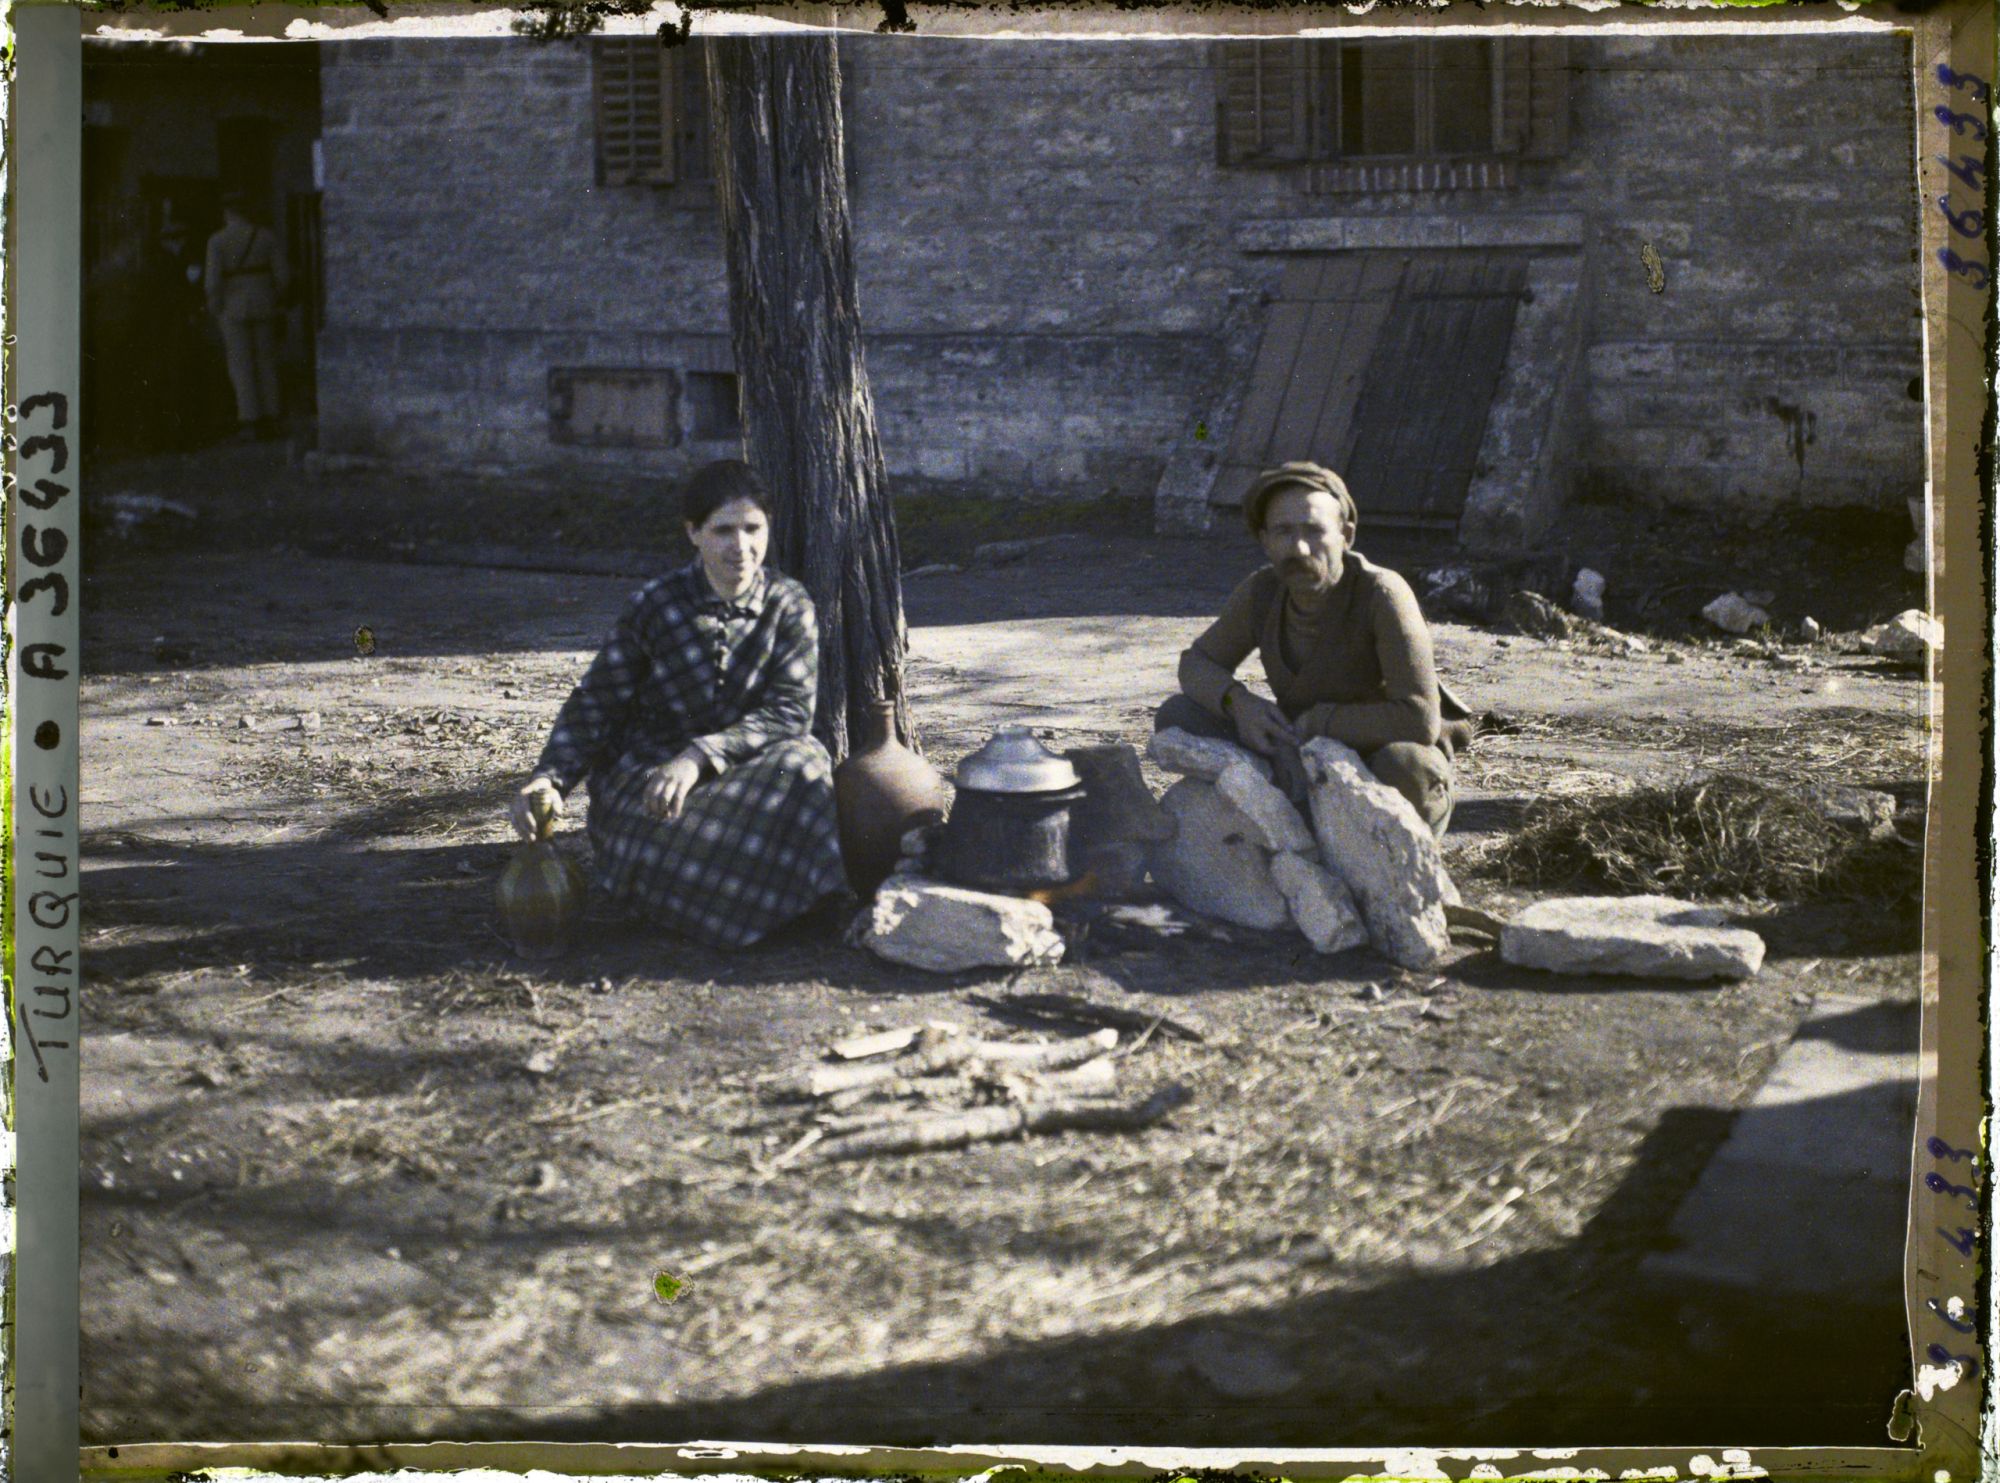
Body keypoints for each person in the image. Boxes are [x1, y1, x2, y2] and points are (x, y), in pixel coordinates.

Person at [510, 460, 848, 948]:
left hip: (744, 776)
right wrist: (550, 776)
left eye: (754, 529)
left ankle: (794, 909)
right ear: (693, 533)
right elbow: (597, 701)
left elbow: (791, 711)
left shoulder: (789, 605)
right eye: (723, 530)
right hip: (650, 782)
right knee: (688, 837)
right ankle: (714, 899)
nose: (741, 546)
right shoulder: (657, 604)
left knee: (806, 761)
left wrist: (700, 756)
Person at [1156, 460, 1473, 838]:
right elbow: (1197, 662)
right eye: (1284, 532)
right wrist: (1238, 704)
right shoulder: (1262, 592)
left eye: (1314, 531)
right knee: (1178, 715)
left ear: (1346, 535)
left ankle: (1377, 843)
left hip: (1374, 749)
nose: (1299, 548)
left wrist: (1313, 726)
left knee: (1408, 768)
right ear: (1265, 541)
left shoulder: (1382, 594)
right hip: (1294, 749)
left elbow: (1419, 719)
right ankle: (1283, 810)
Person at [203, 191, 288, 441]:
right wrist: (277, 298)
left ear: (227, 212)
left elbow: (212, 282)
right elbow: (283, 276)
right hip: (264, 302)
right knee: (266, 361)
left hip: (232, 306)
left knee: (240, 364)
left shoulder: (217, 241)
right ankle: (272, 415)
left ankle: (250, 419)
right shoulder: (266, 237)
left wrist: (214, 305)